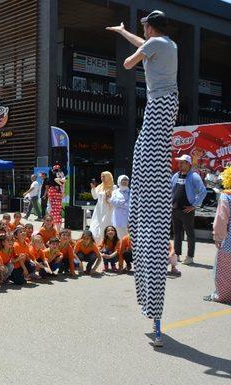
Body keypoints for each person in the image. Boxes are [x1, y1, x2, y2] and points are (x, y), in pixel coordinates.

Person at [108, 10, 179, 346]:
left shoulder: (154, 43)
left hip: (159, 104)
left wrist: (130, 45)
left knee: (142, 154)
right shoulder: (168, 44)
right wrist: (124, 32)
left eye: (142, 29)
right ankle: (155, 318)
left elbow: (128, 65)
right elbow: (145, 44)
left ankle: (155, 314)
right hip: (168, 105)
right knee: (144, 154)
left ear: (150, 26)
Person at [171, 154, 207, 265]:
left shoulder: (194, 176)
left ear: (188, 163)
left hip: (187, 210)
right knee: (177, 233)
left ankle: (190, 256)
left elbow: (203, 191)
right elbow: (170, 190)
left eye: (182, 162)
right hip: (175, 209)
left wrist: (194, 205)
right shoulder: (176, 175)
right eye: (179, 162)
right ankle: (177, 255)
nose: (179, 164)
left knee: (190, 233)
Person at [205, 166, 231, 303]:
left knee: (224, 271)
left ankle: (222, 295)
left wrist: (218, 237)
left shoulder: (227, 196)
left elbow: (221, 219)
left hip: (229, 243)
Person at [89, 171, 116, 245]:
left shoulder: (114, 187)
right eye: (101, 176)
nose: (102, 178)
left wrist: (109, 197)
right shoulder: (100, 186)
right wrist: (93, 188)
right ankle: (97, 244)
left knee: (106, 225)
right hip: (99, 210)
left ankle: (106, 243)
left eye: (104, 176)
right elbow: (95, 197)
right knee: (96, 225)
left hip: (108, 209)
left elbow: (115, 199)